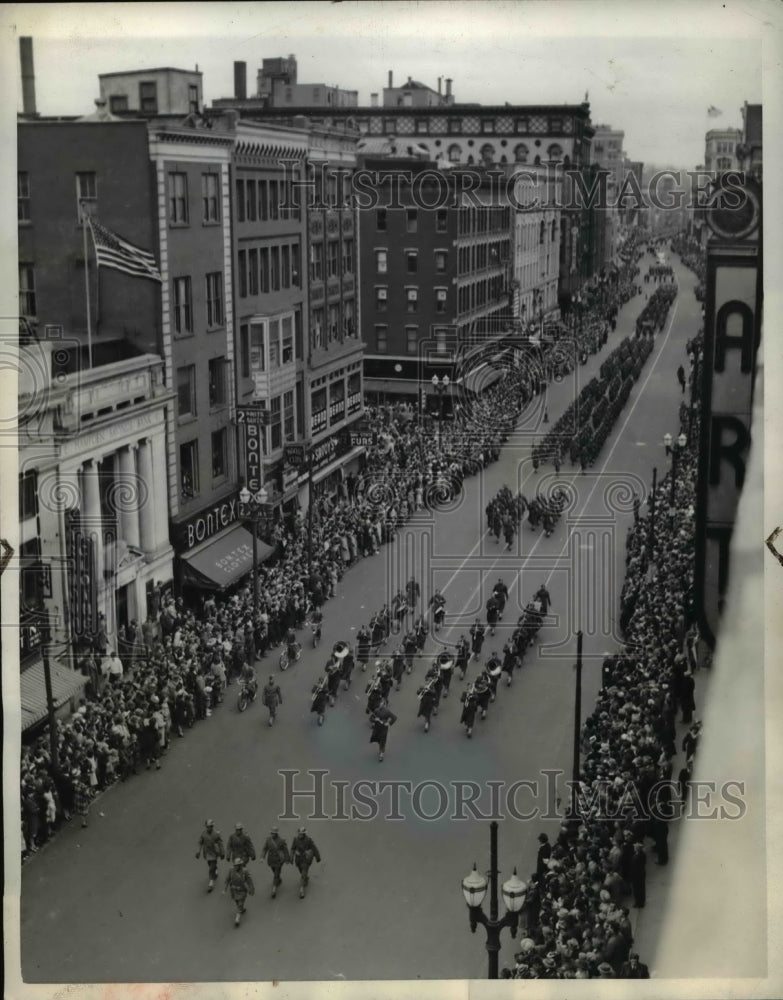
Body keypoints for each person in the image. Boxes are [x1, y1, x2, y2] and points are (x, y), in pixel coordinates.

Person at [291, 827, 321, 899]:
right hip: (298, 860)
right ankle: (305, 878)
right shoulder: (295, 840)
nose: (299, 835)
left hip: (305, 859)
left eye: (301, 834)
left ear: (304, 834)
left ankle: (301, 890)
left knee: (303, 873)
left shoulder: (308, 840)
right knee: (301, 871)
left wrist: (317, 857)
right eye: (299, 833)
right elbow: (292, 848)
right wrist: (291, 857)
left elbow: (314, 848)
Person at [223, 857, 255, 927]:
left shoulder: (245, 871)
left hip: (242, 890)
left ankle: (237, 919)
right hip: (234, 890)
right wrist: (224, 889)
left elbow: (249, 881)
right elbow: (227, 879)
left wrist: (251, 889)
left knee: (240, 903)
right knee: (237, 902)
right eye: (235, 865)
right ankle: (242, 909)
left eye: (237, 865)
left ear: (240, 865)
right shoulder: (231, 870)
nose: (236, 867)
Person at [196, 819, 225, 892]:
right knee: (210, 865)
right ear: (206, 827)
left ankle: (211, 883)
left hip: (214, 853)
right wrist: (198, 852)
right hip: (207, 853)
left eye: (211, 826)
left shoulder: (216, 834)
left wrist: (222, 853)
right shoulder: (203, 834)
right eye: (208, 827)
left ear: (212, 827)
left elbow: (220, 844)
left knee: (211, 868)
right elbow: (200, 843)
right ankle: (215, 869)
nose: (209, 828)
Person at [261, 826, 291, 899]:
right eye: (271, 833)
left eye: (274, 833)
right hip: (271, 860)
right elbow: (265, 849)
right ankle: (278, 879)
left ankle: (274, 890)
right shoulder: (268, 840)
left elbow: (285, 850)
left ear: (276, 833)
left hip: (278, 861)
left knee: (276, 874)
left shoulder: (281, 841)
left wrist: (287, 859)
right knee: (274, 872)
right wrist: (262, 857)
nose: (272, 834)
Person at [630, 841, 647, 908]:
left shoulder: (637, 857)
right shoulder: (642, 854)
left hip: (637, 875)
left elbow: (635, 867)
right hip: (641, 874)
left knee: (637, 889)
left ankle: (639, 903)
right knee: (641, 889)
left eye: (635, 847)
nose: (634, 848)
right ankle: (641, 902)